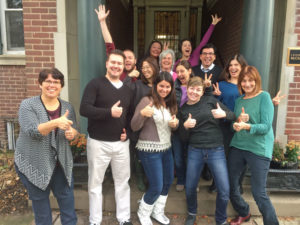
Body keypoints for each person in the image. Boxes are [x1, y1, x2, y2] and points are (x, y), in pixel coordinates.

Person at [15, 68, 78, 225]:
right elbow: (32, 131)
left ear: (61, 86)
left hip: (61, 164)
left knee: (68, 208)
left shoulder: (67, 107)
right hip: (34, 163)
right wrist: (56, 122)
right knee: (42, 212)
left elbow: (75, 129)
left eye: (56, 82)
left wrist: (72, 133)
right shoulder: (28, 105)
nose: (52, 85)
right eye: (48, 81)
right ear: (40, 84)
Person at [80, 50, 134, 225]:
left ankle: (124, 218)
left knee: (123, 182)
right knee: (95, 183)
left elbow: (130, 115)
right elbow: (84, 109)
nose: (116, 66)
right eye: (113, 62)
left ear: (123, 67)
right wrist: (108, 112)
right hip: (98, 143)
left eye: (119, 63)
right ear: (107, 63)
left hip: (120, 144)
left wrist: (129, 133)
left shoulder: (127, 90)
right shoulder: (95, 84)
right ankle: (95, 220)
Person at [178, 76, 235, 225]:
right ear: (187, 88)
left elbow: (232, 115)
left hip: (216, 150)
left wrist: (224, 115)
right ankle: (192, 212)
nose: (194, 92)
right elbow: (183, 138)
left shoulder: (210, 100)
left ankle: (221, 219)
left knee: (224, 190)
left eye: (198, 90)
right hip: (195, 150)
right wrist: (185, 126)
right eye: (192, 88)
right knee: (190, 187)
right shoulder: (183, 110)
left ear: (203, 92)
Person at [228, 66, 279, 225]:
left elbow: (265, 127)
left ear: (256, 80)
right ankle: (244, 212)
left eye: (251, 80)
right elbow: (235, 125)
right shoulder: (239, 100)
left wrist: (247, 125)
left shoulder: (264, 97)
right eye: (244, 81)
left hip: (259, 148)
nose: (247, 84)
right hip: (238, 145)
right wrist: (237, 124)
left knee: (259, 193)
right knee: (230, 186)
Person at [131, 72, 178, 225]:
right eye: (161, 86)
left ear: (171, 88)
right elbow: (134, 125)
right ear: (155, 86)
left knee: (167, 181)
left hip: (166, 149)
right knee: (156, 185)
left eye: (167, 86)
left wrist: (175, 124)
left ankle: (157, 211)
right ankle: (143, 213)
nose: (164, 89)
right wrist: (142, 114)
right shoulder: (147, 100)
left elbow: (171, 126)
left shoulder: (170, 103)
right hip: (149, 150)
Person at [132, 57, 160, 191]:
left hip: (156, 125)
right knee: (139, 154)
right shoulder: (137, 84)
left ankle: (150, 178)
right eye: (143, 67)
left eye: (149, 67)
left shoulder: (161, 84)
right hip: (139, 121)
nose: (146, 70)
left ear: (155, 67)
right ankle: (139, 177)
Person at [95, 4, 139, 86]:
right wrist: (102, 22)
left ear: (135, 61)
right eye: (125, 58)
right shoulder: (117, 72)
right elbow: (109, 44)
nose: (128, 60)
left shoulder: (139, 76)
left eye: (130, 58)